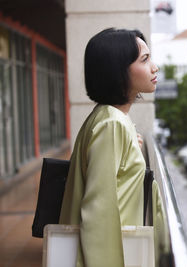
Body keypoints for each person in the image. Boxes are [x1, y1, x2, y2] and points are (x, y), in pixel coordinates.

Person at [59, 28, 158, 267]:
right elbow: (97, 211)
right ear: (118, 71)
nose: (154, 67)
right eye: (144, 60)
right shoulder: (112, 122)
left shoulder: (108, 118)